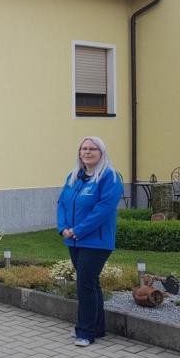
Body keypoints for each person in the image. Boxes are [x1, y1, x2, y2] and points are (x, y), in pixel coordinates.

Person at [56, 136, 124, 347]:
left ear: (101, 153)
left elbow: (104, 209)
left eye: (92, 149)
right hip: (74, 240)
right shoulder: (73, 176)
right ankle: (97, 327)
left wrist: (79, 230)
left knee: (84, 283)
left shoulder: (110, 177)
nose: (87, 152)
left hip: (96, 242)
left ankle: (85, 332)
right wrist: (63, 228)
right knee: (90, 283)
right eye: (83, 148)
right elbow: (62, 203)